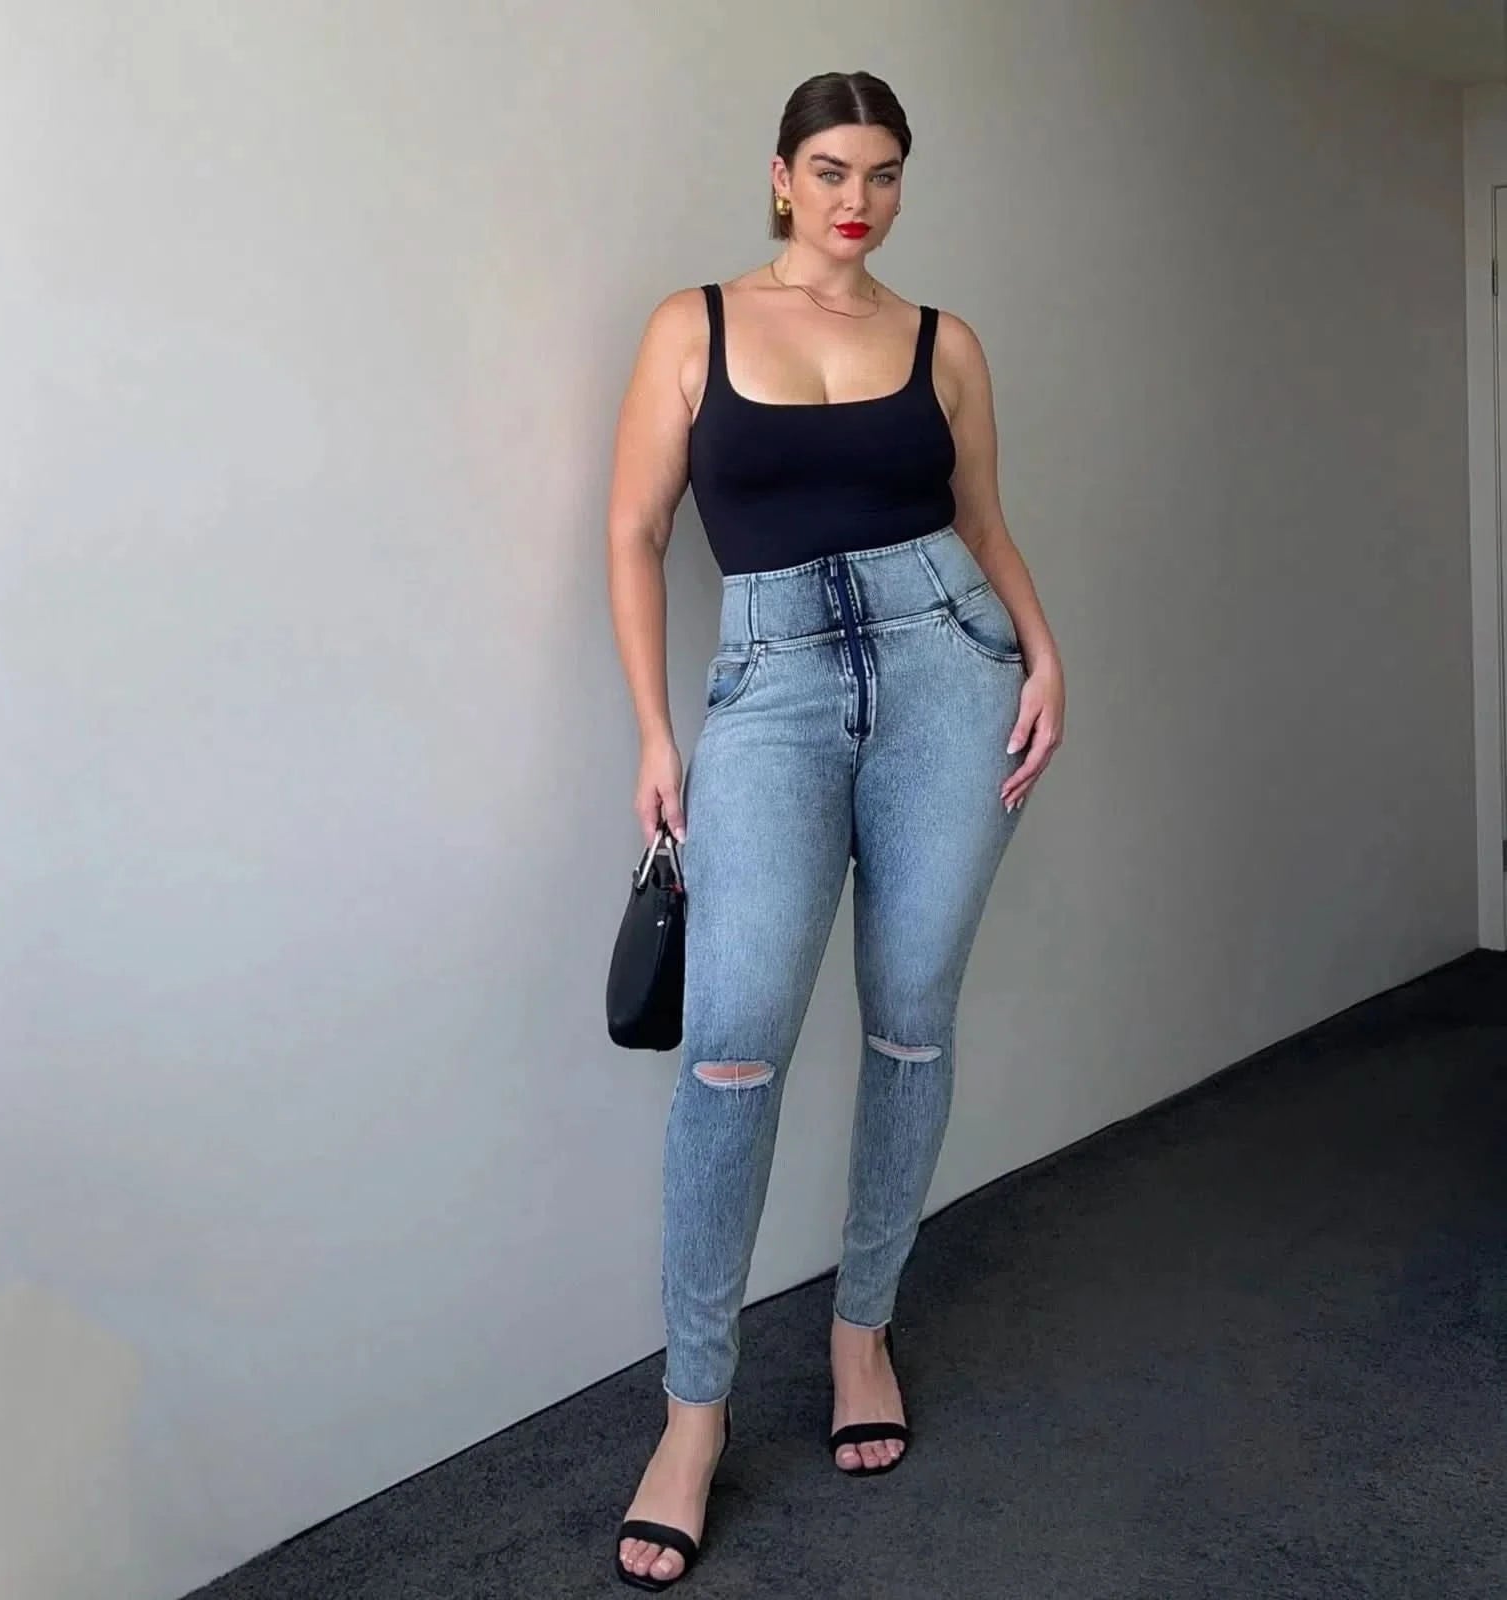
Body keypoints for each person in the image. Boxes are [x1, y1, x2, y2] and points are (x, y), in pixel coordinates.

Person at [605, 69, 1065, 1591]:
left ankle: (862, 1329)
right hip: (771, 687)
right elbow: (634, 531)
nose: (855, 199)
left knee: (911, 1019)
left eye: (881, 173)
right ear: (780, 176)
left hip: (951, 669)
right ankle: (694, 1411)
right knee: (733, 1038)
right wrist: (657, 733)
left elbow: (983, 521)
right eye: (828, 169)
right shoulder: (694, 326)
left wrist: (1043, 653)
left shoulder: (943, 343)